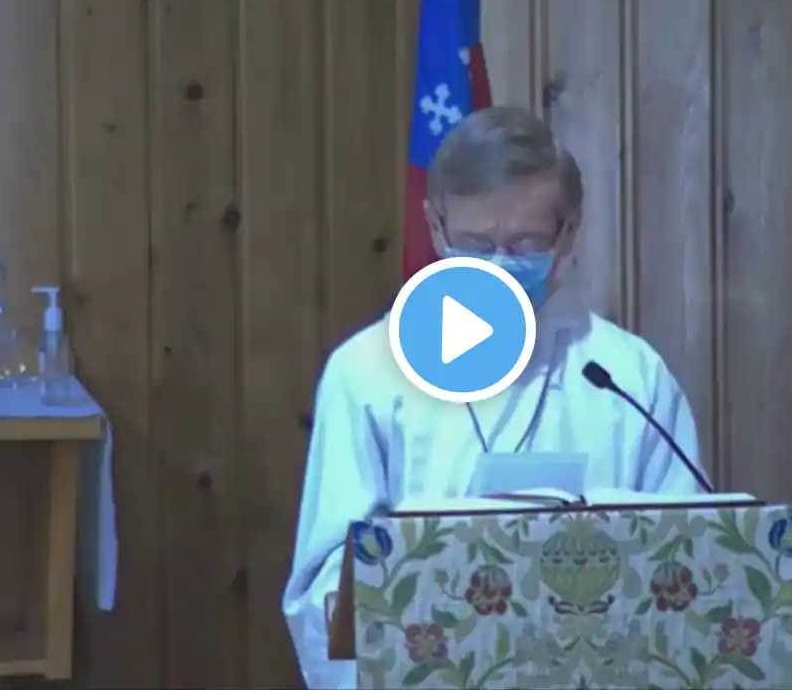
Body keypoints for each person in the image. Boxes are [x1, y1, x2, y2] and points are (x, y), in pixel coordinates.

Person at [281, 106, 706, 688]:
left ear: (569, 231)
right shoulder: (367, 371)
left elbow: (686, 560)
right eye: (477, 244)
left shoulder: (629, 375)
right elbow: (326, 583)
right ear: (436, 228)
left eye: (525, 243)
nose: (500, 267)